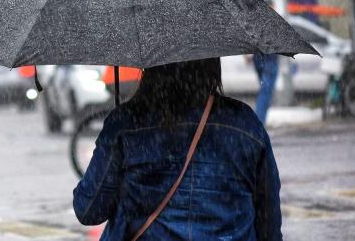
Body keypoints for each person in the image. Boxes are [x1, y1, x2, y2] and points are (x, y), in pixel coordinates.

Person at [73, 58, 281, 240]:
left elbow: (89, 210)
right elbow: (268, 220)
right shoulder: (244, 124)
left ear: (151, 69)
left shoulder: (125, 124)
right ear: (211, 65)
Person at [253, 53, 279, 124]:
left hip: (257, 59)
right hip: (269, 60)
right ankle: (259, 123)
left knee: (264, 92)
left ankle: (259, 121)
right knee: (265, 93)